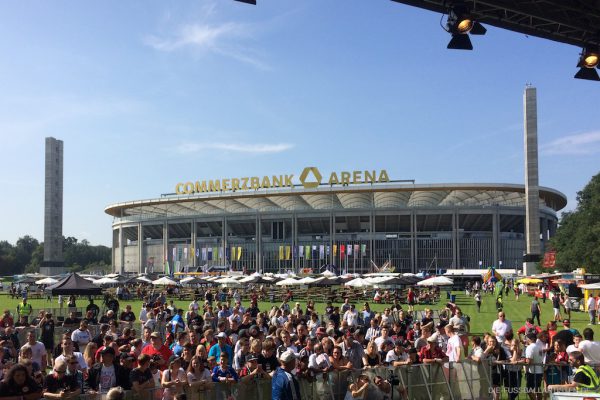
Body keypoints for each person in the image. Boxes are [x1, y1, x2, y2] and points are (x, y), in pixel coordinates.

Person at [524, 333, 544, 400]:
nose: (526, 340)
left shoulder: (530, 347)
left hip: (532, 371)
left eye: (527, 338)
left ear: (531, 339)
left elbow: (529, 361)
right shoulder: (539, 347)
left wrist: (525, 368)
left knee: (528, 389)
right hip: (540, 370)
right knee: (537, 388)